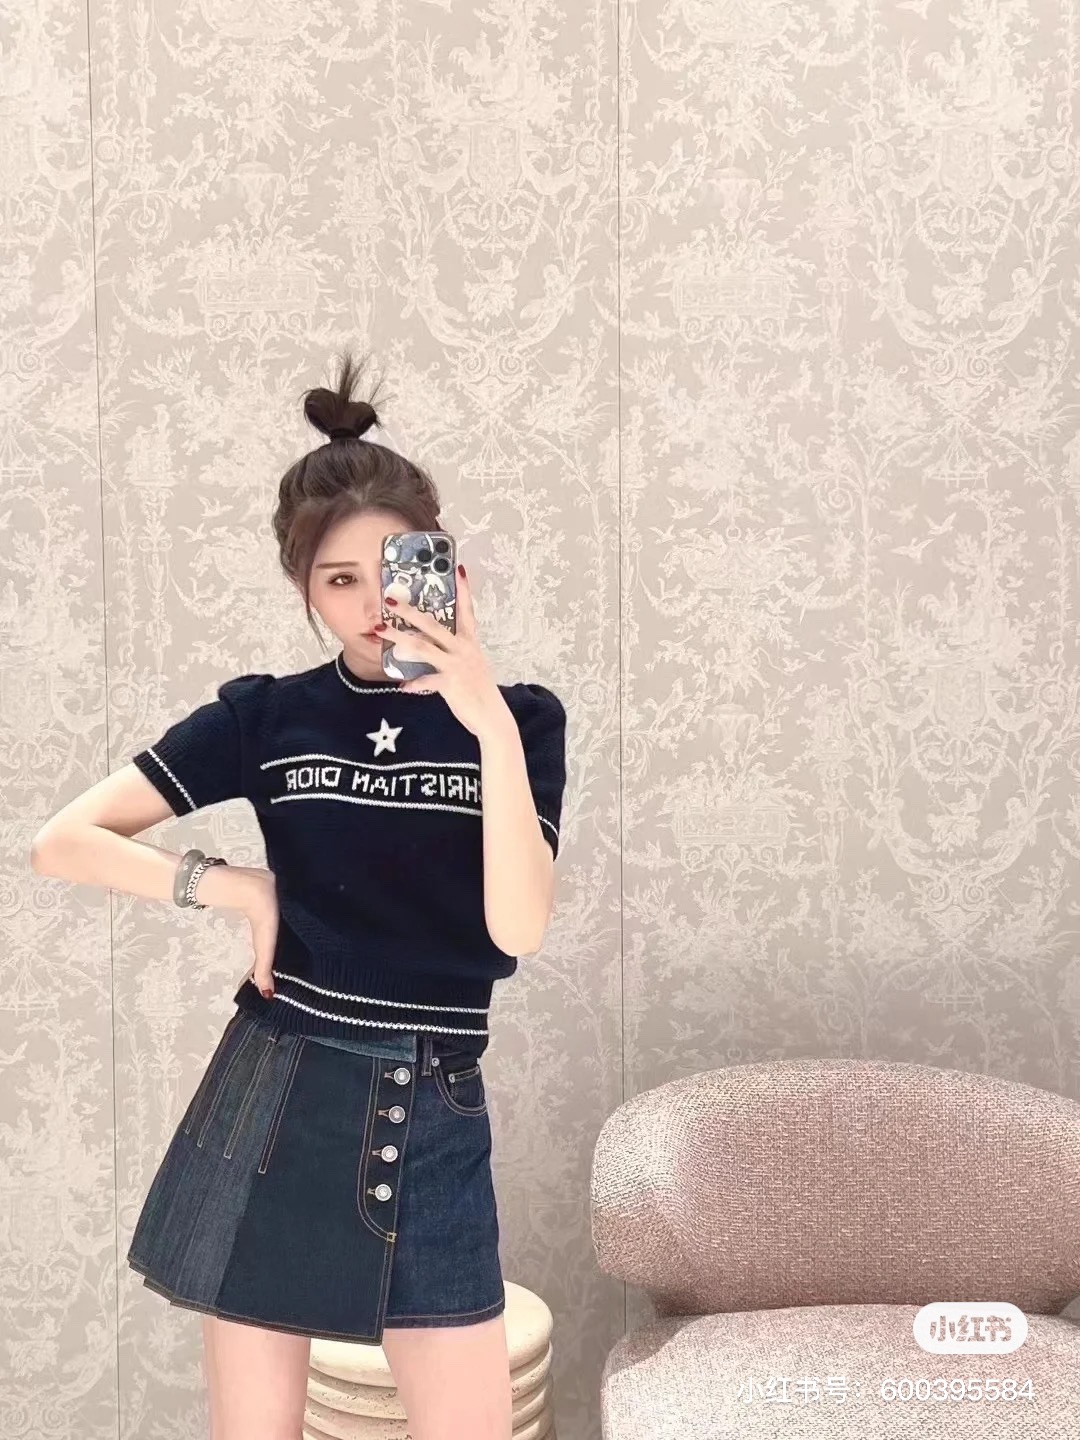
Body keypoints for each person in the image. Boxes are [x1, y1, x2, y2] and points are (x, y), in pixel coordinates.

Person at [29, 348, 568, 1440]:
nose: (373, 605)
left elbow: (518, 927)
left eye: (393, 570)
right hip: (281, 1085)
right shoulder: (268, 717)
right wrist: (234, 887)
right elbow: (62, 841)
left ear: (446, 569)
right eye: (338, 580)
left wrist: (481, 716)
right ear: (305, 591)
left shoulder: (519, 721)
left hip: (433, 1095)